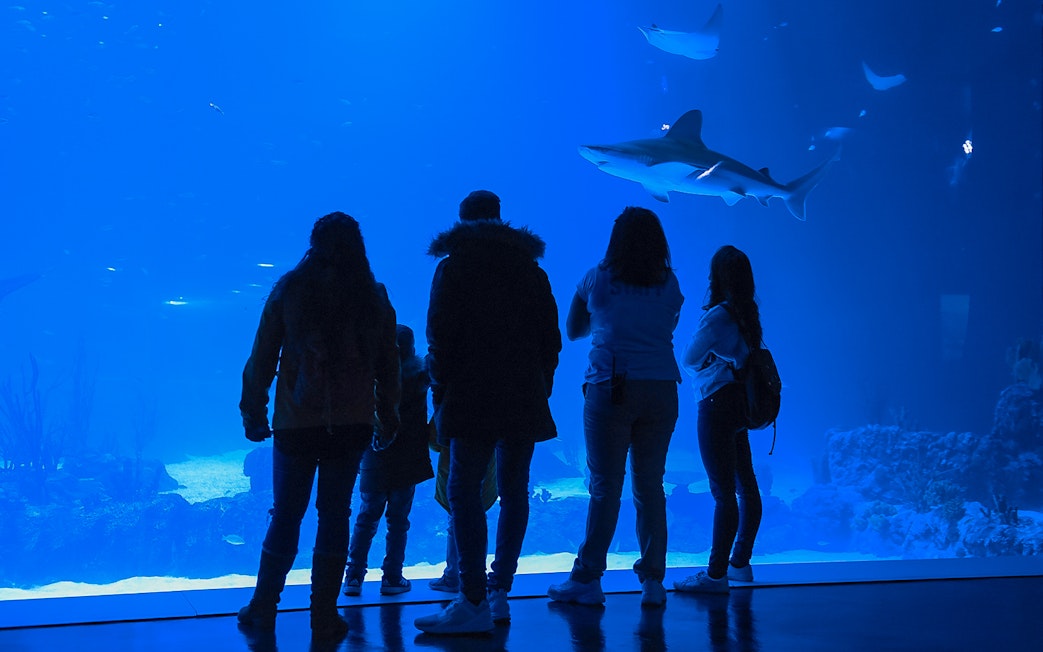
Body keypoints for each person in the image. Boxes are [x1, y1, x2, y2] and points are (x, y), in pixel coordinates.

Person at [237, 212, 400, 640]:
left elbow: (262, 357)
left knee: (286, 514)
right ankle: (324, 612)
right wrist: (388, 413)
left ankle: (263, 606)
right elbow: (388, 362)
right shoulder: (372, 295)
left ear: (313, 243)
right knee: (335, 514)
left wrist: (253, 410)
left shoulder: (289, 290)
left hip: (297, 422)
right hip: (351, 424)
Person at [415, 190, 561, 634]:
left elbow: (439, 337)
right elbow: (551, 340)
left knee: (464, 491)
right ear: (500, 219)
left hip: (469, 396)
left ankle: (472, 597)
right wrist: (541, 386)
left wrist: (440, 393)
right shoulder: (531, 271)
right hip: (522, 395)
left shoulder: (453, 267)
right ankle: (499, 591)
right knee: (515, 491)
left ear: (462, 221)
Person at [547, 206, 683, 608]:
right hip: (661, 387)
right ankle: (653, 581)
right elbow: (667, 326)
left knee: (605, 486)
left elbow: (573, 330)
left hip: (611, 386)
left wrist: (607, 317)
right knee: (650, 485)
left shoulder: (597, 277)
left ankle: (588, 579)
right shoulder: (669, 281)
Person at [674, 244, 763, 593]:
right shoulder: (748, 313)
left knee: (723, 493)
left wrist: (709, 360)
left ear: (717, 277)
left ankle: (715, 576)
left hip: (715, 402)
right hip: (739, 403)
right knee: (746, 487)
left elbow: (688, 358)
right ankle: (740, 563)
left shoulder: (717, 316)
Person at [342, 324, 434, 596]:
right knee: (398, 521)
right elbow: (436, 365)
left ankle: (353, 577)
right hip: (408, 461)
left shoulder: (367, 379)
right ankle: (392, 577)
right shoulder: (420, 378)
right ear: (411, 349)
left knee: (366, 518)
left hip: (374, 460)